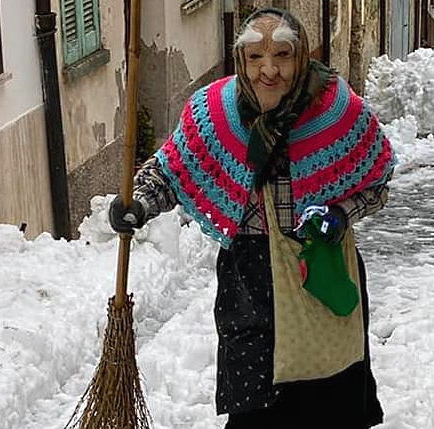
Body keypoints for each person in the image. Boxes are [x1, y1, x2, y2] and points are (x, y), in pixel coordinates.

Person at [109, 7, 395, 429]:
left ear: (300, 58)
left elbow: (377, 181)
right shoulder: (215, 114)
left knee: (328, 406)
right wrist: (138, 202)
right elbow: (171, 170)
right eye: (255, 57)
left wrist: (339, 214)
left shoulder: (336, 110)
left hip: (318, 271)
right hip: (250, 283)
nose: (269, 70)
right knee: (254, 412)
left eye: (282, 55)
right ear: (240, 61)